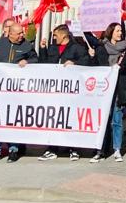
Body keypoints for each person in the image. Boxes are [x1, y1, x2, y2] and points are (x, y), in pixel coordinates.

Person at [38, 24, 92, 161]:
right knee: (54, 120)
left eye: (55, 35)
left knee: (71, 120)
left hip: (71, 93)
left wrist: (74, 63)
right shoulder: (52, 48)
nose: (53, 38)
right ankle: (52, 149)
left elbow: (86, 63)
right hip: (55, 92)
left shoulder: (77, 48)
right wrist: (43, 49)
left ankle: (74, 149)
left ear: (63, 35)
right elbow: (44, 64)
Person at [0, 21, 37, 163]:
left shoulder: (27, 45)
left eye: (22, 32)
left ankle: (13, 150)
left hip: (16, 91)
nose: (22, 35)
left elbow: (35, 59)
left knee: (13, 120)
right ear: (10, 33)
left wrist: (28, 62)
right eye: (19, 33)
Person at [97, 23, 126, 163]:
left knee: (117, 120)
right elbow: (99, 65)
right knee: (104, 120)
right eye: (117, 30)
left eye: (120, 31)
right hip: (104, 89)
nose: (119, 33)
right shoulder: (102, 47)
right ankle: (101, 149)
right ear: (111, 32)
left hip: (119, 88)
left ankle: (117, 148)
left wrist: (122, 66)